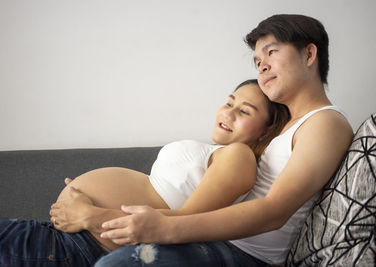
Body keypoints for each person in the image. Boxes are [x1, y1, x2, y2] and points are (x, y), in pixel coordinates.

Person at [92, 14, 354, 266]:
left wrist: (168, 227)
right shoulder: (286, 128)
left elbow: (275, 211)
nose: (262, 65)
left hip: (246, 254)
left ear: (309, 54)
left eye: (271, 52)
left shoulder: (325, 122)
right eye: (257, 60)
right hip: (223, 242)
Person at [0, 80, 290, 266]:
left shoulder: (239, 155)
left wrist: (91, 215)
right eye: (229, 102)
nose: (228, 113)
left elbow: (187, 224)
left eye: (245, 111)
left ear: (266, 130)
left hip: (80, 248)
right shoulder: (213, 152)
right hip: (62, 238)